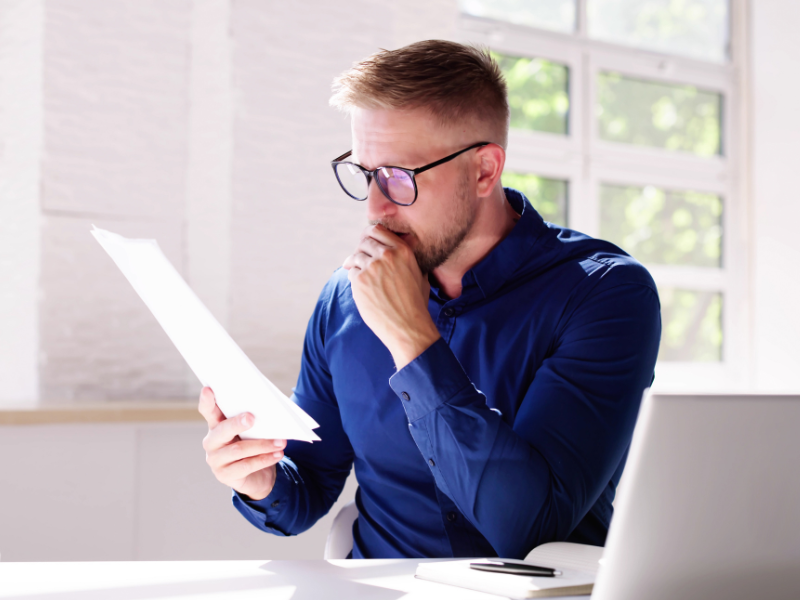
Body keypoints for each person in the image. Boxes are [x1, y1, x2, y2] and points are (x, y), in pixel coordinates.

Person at [198, 40, 661, 559]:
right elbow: (306, 487)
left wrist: (410, 338)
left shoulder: (604, 294)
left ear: (485, 170)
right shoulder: (343, 299)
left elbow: (531, 530)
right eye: (365, 173)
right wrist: (260, 479)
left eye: (398, 177)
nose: (374, 207)